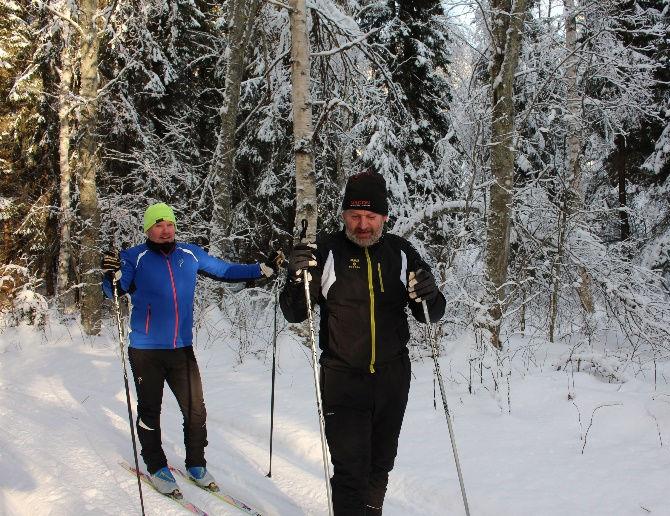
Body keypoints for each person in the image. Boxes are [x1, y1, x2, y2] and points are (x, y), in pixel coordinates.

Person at [279, 171, 445, 515]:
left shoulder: (401, 253)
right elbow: (295, 313)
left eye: (371, 217)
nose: (363, 225)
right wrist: (295, 280)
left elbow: (430, 313)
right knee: (351, 470)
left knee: (379, 467)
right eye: (355, 216)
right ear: (343, 216)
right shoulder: (325, 252)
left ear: (384, 217)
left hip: (392, 378)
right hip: (343, 378)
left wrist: (430, 292)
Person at [102, 202, 275, 495]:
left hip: (181, 348)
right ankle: (156, 465)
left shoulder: (190, 253)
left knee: (196, 410)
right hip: (146, 350)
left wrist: (261, 269)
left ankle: (196, 464)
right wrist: (111, 275)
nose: (165, 230)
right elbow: (116, 291)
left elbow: (225, 270)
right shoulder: (135, 257)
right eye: (158, 225)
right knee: (150, 410)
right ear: (148, 229)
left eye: (169, 224)